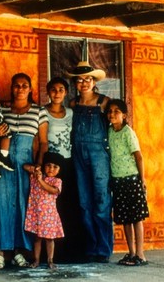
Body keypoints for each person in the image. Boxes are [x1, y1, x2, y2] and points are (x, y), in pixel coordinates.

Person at [0, 72, 49, 269]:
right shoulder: (1, 109)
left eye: (24, 85)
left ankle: (19, 251)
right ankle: (0, 252)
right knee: (0, 204)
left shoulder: (39, 111)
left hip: (24, 165)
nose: (20, 89)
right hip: (1, 165)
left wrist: (38, 165)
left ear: (30, 89)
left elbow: (43, 143)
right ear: (12, 88)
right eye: (17, 85)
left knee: (22, 206)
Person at [66, 61, 113, 263]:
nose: (84, 83)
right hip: (78, 155)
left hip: (99, 156)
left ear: (94, 82)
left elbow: (117, 127)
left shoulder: (104, 102)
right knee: (85, 203)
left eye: (88, 79)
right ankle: (91, 247)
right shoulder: (73, 105)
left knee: (101, 201)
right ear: (75, 84)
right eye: (80, 80)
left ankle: (103, 249)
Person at [43, 77, 83, 262]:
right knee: (50, 208)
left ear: (66, 92)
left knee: (68, 206)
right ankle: (51, 254)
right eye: (53, 89)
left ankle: (70, 251)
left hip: (67, 164)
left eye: (61, 89)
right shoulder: (42, 113)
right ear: (48, 92)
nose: (57, 93)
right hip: (50, 166)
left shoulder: (71, 113)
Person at [106, 98, 149, 266]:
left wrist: (142, 179)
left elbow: (138, 156)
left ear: (124, 115)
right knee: (125, 219)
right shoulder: (109, 131)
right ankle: (131, 252)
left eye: (117, 111)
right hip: (117, 180)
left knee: (137, 218)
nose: (112, 114)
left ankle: (140, 254)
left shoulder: (127, 132)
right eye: (110, 111)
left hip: (131, 179)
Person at [24, 151, 65, 269]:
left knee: (49, 239)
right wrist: (34, 168)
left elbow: (53, 190)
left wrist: (41, 180)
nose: (51, 169)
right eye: (48, 165)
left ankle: (50, 260)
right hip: (36, 214)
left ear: (59, 170)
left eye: (55, 167)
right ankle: (36, 260)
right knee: (37, 239)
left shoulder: (57, 181)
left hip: (49, 216)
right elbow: (24, 166)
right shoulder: (37, 176)